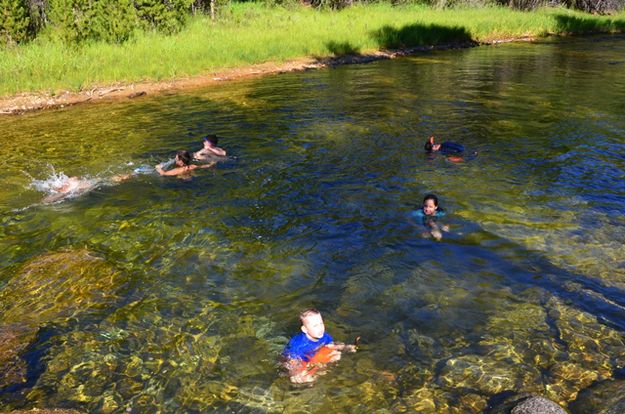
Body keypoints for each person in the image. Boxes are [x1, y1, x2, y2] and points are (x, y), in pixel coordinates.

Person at [282, 308, 357, 384]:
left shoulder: (325, 336)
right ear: (305, 329)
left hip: (313, 356)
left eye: (321, 324)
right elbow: (292, 361)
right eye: (315, 326)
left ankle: (319, 370)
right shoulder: (299, 345)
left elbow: (331, 345)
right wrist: (296, 374)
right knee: (304, 378)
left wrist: (346, 347)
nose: (320, 328)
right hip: (298, 360)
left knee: (336, 355)